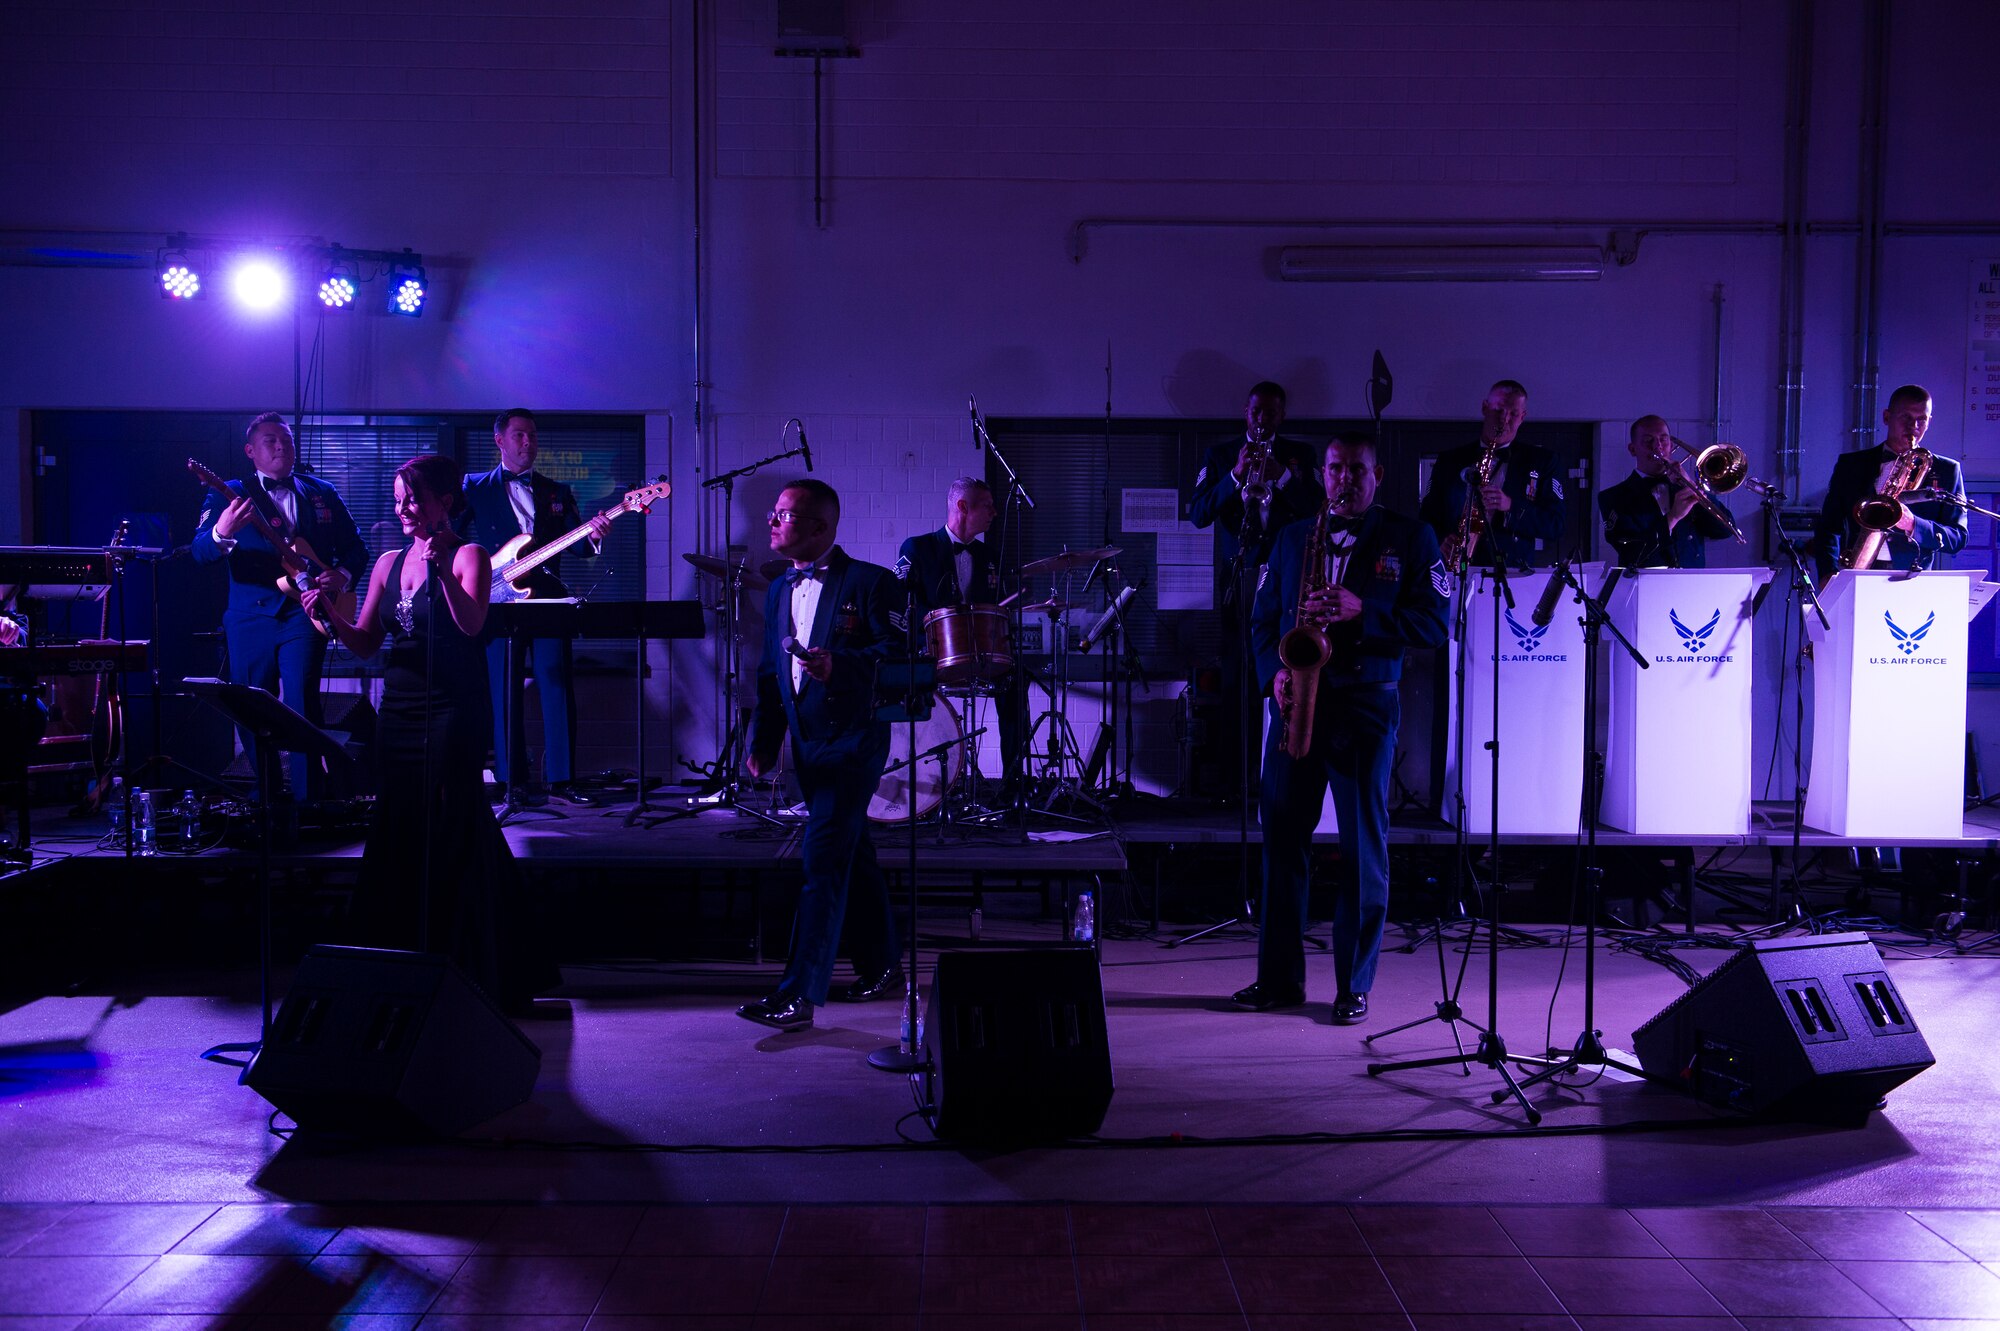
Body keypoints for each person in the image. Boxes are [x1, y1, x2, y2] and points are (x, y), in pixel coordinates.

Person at [305, 454, 555, 1012]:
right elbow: (366, 642)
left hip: (453, 708)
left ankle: (476, 961)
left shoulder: (469, 556)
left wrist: (441, 568)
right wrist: (325, 613)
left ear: (445, 500)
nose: (403, 510)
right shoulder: (388, 562)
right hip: (399, 708)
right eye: (398, 500)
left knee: (454, 819)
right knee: (399, 822)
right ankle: (398, 958)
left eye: (413, 498)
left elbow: (471, 625)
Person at [1233, 434, 1449, 1025]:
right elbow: (1260, 619)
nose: (1343, 479)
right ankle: (1277, 980)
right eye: (1334, 469)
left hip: (1364, 707)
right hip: (1295, 702)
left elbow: (1436, 622)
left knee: (1361, 848)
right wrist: (1273, 674)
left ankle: (1353, 984)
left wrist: (1365, 611)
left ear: (1377, 475)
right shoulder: (1290, 536)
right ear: (1322, 474)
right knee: (1280, 840)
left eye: (1356, 469)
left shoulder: (1411, 536)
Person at [739, 479, 904, 1031]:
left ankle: (797, 995)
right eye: (773, 514)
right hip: (807, 746)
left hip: (854, 743)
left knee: (821, 862)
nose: (772, 522)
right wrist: (764, 743)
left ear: (820, 526)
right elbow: (769, 674)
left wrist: (844, 665)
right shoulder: (779, 590)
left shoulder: (873, 583)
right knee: (853, 855)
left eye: (783, 515)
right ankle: (883, 967)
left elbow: (899, 655)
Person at [191, 412, 368, 799]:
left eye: (286, 439)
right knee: (252, 706)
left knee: (303, 702)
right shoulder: (232, 492)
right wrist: (223, 532)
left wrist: (341, 575)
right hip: (250, 616)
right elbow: (199, 552)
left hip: (305, 613)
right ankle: (269, 800)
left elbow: (357, 548)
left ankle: (309, 800)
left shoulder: (321, 491)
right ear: (250, 450)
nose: (281, 446)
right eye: (271, 440)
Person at [460, 408, 613, 805]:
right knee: (503, 690)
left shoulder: (556, 492)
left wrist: (594, 534)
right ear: (500, 440)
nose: (528, 443)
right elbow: (453, 537)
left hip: (546, 600)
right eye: (519, 436)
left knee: (557, 683)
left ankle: (563, 781)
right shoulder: (473, 487)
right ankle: (514, 782)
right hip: (495, 603)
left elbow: (578, 546)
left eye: (532, 436)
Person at [1189, 381, 1324, 794]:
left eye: (1270, 413)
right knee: (1237, 678)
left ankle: (1280, 773)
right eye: (1256, 412)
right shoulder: (1220, 455)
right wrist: (1234, 475)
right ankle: (1235, 782)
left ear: (1281, 416)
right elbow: (1196, 514)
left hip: (1285, 577)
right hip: (1239, 575)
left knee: (1281, 669)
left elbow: (1319, 509)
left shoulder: (1300, 456)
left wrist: (1281, 477)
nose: (1262, 420)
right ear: (1245, 413)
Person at [894, 477, 1023, 794]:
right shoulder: (918, 547)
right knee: (901, 681)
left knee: (1018, 680)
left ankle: (1012, 785)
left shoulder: (991, 557)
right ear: (963, 507)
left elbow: (996, 609)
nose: (994, 513)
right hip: (930, 653)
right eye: (988, 507)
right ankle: (918, 787)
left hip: (981, 654)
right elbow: (898, 602)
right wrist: (929, 634)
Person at [1810, 385, 1968, 582]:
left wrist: (1913, 524)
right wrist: (1827, 572)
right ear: (1886, 417)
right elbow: (1828, 527)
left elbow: (1958, 537)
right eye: (1906, 417)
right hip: (1857, 574)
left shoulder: (1947, 470)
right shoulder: (1850, 465)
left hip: (1913, 581)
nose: (1914, 426)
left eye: (1922, 419)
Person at [1418, 380, 1564, 569]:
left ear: (1523, 417)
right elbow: (1426, 517)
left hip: (1511, 571)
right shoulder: (1450, 460)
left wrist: (1510, 506)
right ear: (1485, 408)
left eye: (1514, 414)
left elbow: (1555, 524)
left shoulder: (1542, 461)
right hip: (1456, 568)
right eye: (1499, 410)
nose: (1504, 419)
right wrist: (1439, 541)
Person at [1599, 416, 1738, 568]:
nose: (1657, 446)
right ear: (1633, 449)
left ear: (1671, 445)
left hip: (1693, 584)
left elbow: (1724, 531)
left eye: (1663, 439)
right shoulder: (1614, 497)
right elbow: (1630, 552)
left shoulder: (1686, 488)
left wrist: (1692, 485)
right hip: (1647, 586)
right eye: (1648, 440)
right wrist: (1672, 518)